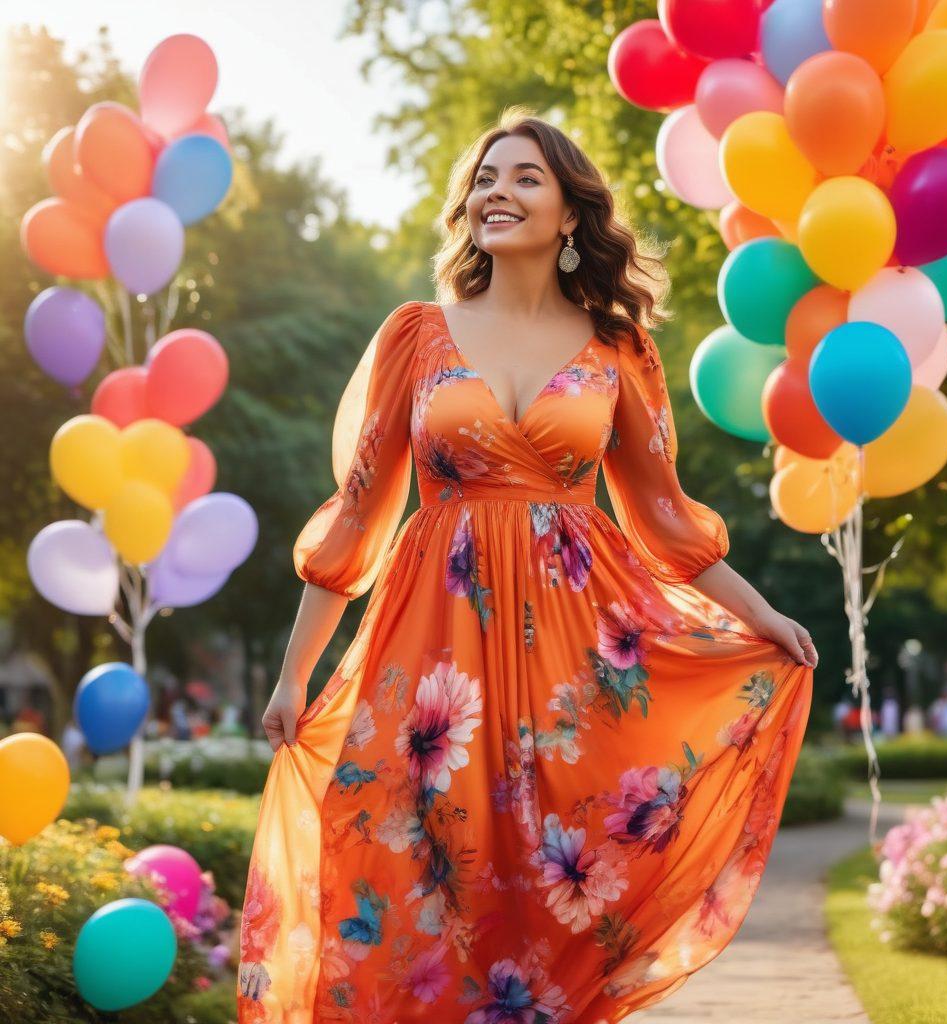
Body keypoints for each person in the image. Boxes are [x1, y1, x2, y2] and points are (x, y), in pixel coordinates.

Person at [237, 109, 816, 1024]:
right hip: (433, 664)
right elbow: (358, 515)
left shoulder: (617, 347)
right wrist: (293, 675)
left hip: (572, 665)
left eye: (524, 178)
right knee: (422, 880)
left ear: (571, 213)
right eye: (485, 178)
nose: (496, 192)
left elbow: (663, 517)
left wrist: (761, 617)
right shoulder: (415, 336)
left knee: (553, 887)